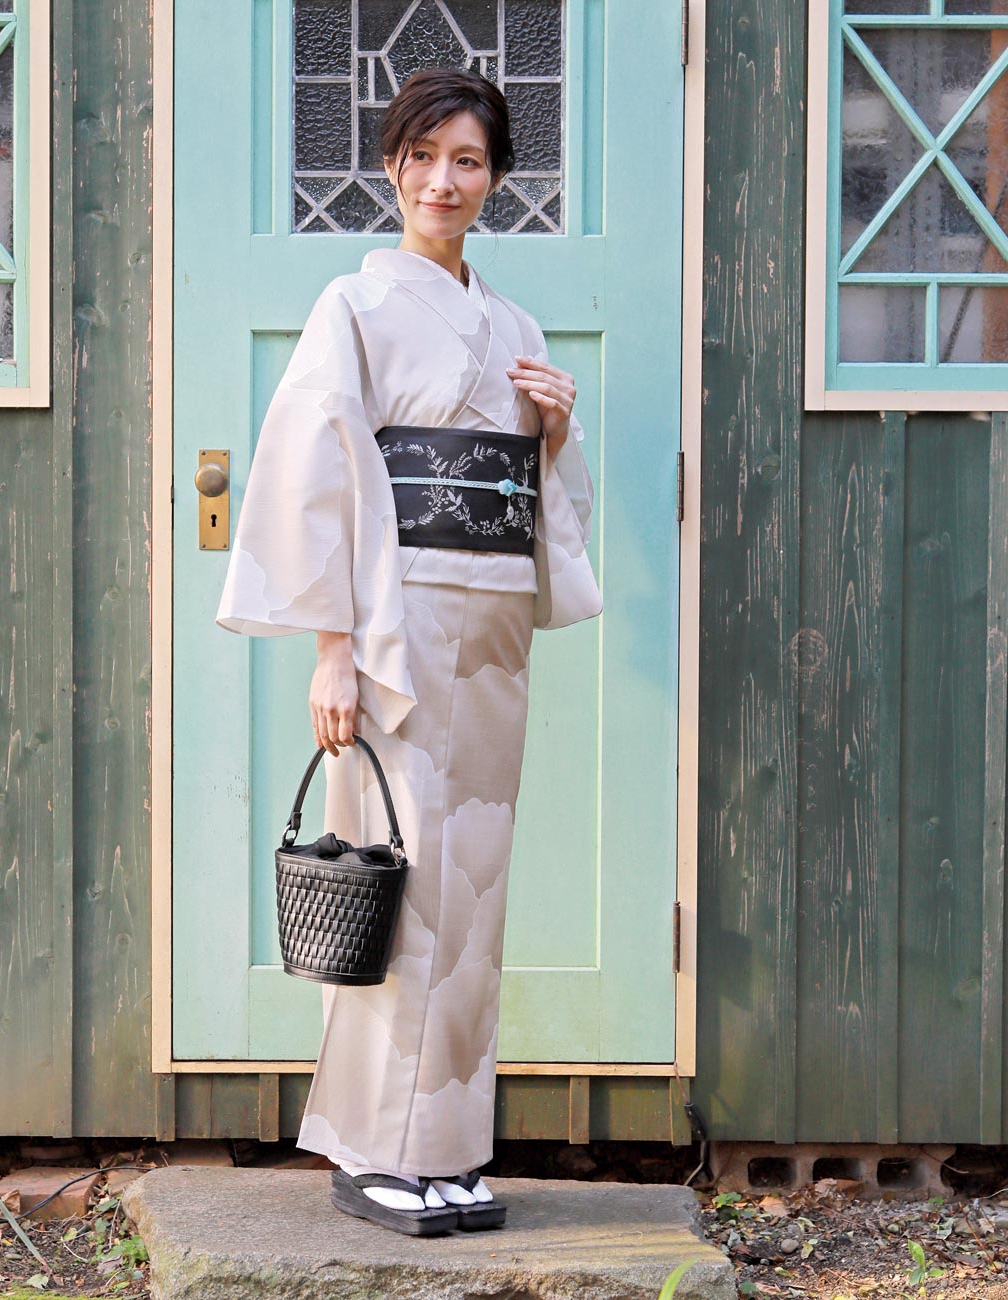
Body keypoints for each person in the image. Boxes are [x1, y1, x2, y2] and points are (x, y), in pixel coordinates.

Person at [216, 67, 602, 1235]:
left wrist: (554, 428)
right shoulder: (355, 305)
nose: (444, 180)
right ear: (392, 167)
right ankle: (373, 1145)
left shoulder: (513, 325)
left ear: (495, 180)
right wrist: (332, 647)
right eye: (424, 157)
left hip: (490, 626)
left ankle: (444, 1146)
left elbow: (538, 494)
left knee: (471, 882)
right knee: (400, 876)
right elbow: (319, 475)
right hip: (395, 622)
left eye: (468, 161)